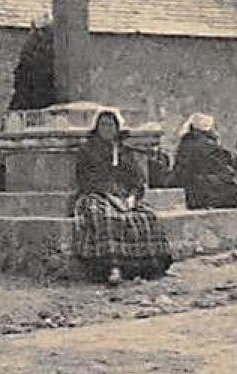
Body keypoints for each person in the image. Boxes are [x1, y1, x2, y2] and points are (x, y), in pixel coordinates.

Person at [71, 110, 172, 285]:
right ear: (97, 127)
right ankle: (113, 267)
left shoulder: (125, 152)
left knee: (146, 217)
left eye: (111, 125)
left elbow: (136, 179)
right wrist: (110, 196)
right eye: (103, 124)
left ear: (117, 128)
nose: (107, 129)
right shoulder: (87, 150)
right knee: (105, 217)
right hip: (96, 194)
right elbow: (85, 179)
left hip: (124, 196)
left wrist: (132, 197)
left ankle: (147, 267)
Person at [171, 113, 237, 234]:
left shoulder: (186, 143)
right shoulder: (208, 144)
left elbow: (180, 169)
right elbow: (224, 164)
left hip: (195, 186)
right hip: (209, 184)